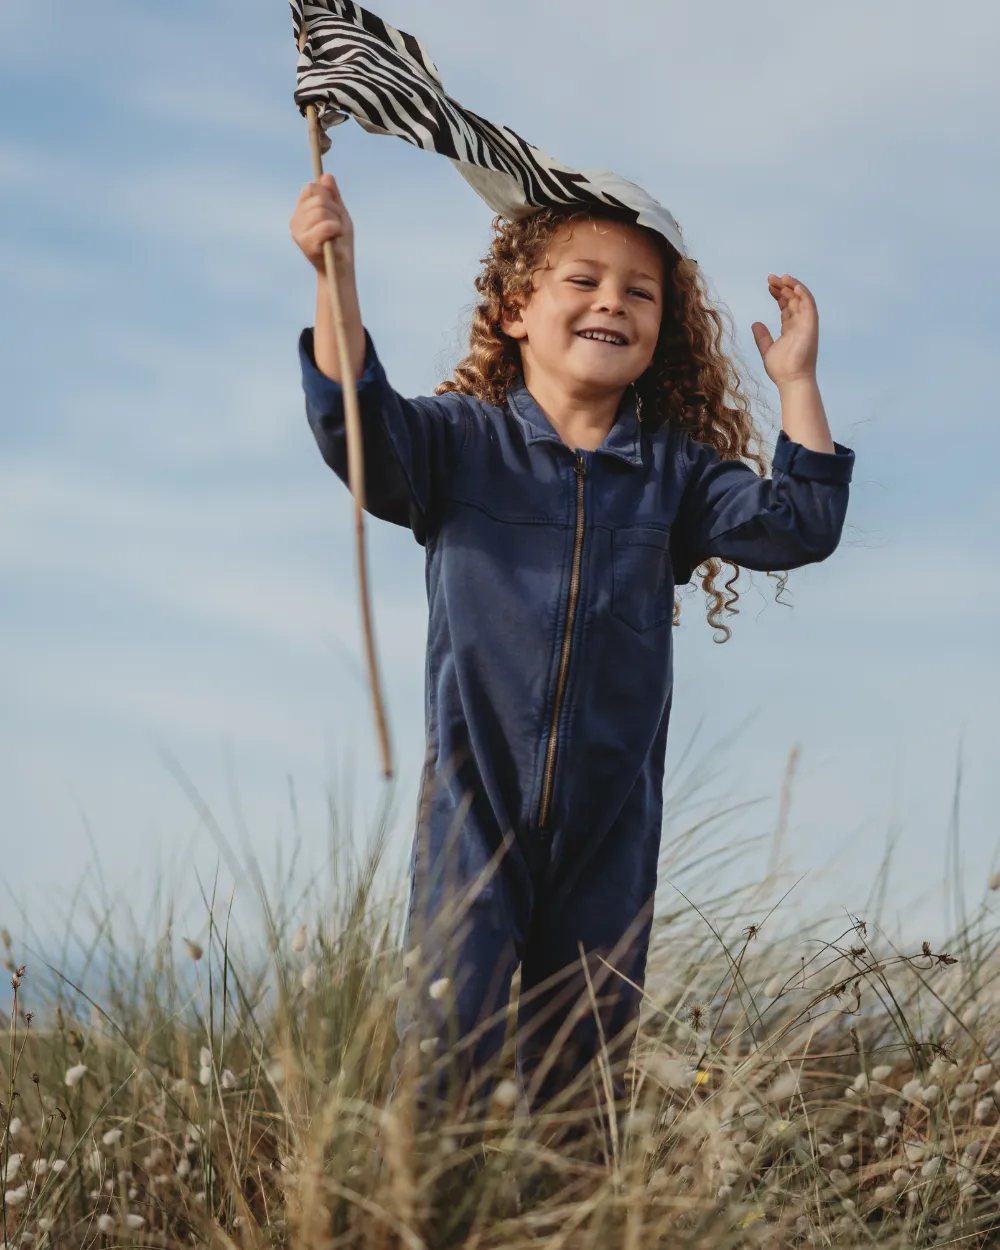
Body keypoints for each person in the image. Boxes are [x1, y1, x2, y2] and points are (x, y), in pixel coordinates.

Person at [289, 171, 854, 1129]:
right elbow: (355, 420)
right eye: (582, 281)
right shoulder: (456, 444)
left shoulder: (674, 471)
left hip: (611, 824)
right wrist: (332, 277)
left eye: (640, 292)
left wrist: (795, 382)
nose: (612, 302)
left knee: (581, 1084)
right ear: (515, 310)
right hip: (477, 808)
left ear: (660, 332)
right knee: (447, 1059)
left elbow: (798, 524)